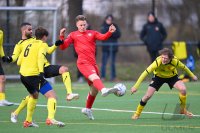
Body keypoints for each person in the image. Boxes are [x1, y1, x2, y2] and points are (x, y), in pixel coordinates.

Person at [7, 24, 68, 127]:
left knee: (33, 95)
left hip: (23, 75)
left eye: (32, 30)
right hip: (34, 74)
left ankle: (24, 119)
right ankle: (51, 118)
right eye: (29, 29)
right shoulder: (40, 44)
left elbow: (18, 61)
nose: (31, 31)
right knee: (52, 96)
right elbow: (41, 57)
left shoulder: (27, 43)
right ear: (44, 37)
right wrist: (40, 72)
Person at [59, 15, 118, 120]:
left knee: (93, 90)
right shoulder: (73, 35)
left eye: (84, 24)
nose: (83, 26)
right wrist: (62, 36)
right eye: (81, 25)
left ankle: (87, 109)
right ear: (77, 25)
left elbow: (103, 37)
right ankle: (104, 89)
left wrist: (110, 32)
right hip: (83, 63)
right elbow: (63, 47)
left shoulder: (93, 33)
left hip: (93, 64)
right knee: (95, 78)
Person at [131, 48, 198, 120]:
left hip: (172, 77)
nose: (163, 59)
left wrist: (192, 76)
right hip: (158, 77)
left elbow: (184, 68)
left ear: (170, 58)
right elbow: (145, 73)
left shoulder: (175, 61)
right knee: (147, 96)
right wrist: (135, 86)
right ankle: (137, 113)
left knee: (183, 90)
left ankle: (182, 110)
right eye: (162, 57)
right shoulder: (157, 62)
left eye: (165, 58)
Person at [100, 14, 121, 81]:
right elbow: (103, 35)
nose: (109, 21)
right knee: (104, 63)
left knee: (112, 63)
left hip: (113, 48)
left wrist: (111, 33)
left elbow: (118, 34)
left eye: (110, 19)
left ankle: (113, 77)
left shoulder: (115, 26)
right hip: (105, 48)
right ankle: (102, 77)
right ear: (106, 19)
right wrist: (111, 32)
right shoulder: (103, 26)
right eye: (108, 19)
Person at [0, 29, 13, 106]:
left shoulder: (1, 32)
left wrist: (3, 56)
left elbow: (0, 46)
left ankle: (2, 99)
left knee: (2, 78)